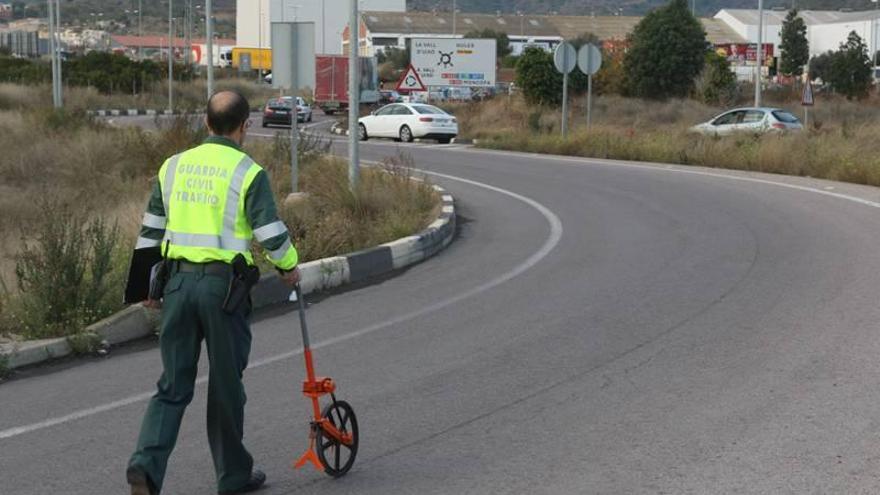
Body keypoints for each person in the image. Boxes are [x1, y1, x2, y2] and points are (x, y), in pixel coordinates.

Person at [126, 90, 301, 495]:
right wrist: (289, 267)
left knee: (172, 385)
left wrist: (146, 287)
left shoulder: (173, 167)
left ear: (206, 123)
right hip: (223, 292)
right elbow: (269, 232)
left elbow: (151, 229)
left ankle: (145, 467)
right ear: (245, 127)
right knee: (225, 385)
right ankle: (233, 476)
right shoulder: (248, 171)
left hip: (178, 286)